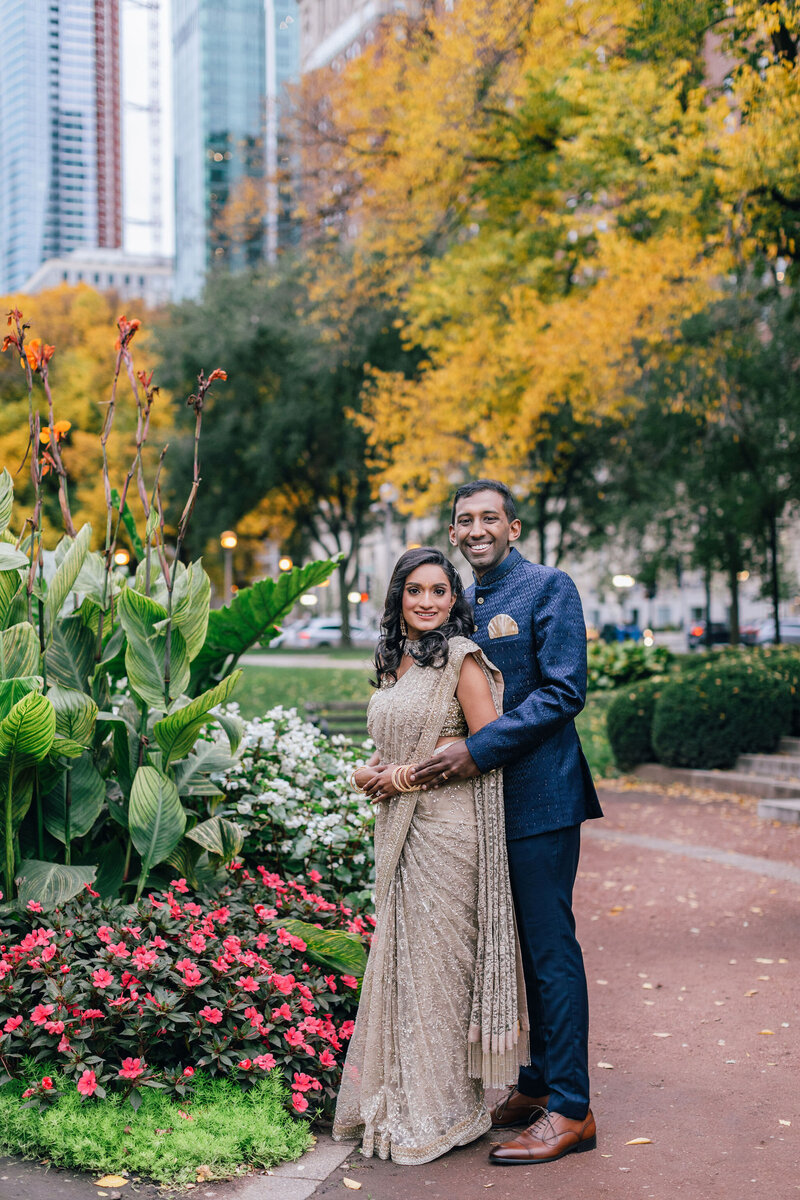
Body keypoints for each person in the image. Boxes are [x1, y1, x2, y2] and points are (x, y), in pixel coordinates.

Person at [412, 480, 603, 1166]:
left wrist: (474, 749)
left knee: (550, 952)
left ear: (513, 527)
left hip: (542, 798)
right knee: (518, 949)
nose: (476, 528)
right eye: (465, 520)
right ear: (455, 531)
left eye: (490, 517)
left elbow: (563, 690)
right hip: (482, 805)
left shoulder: (549, 588)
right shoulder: (463, 601)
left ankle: (572, 1109)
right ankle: (535, 1082)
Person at [332, 546, 528, 1165]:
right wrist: (376, 772)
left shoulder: (464, 659)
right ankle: (401, 1096)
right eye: (415, 590)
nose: (426, 601)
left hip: (449, 832)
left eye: (439, 591)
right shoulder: (394, 662)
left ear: (454, 598)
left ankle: (444, 1110)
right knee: (401, 964)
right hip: (400, 824)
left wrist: (404, 780)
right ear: (399, 598)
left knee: (440, 970)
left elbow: (487, 746)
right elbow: (395, 740)